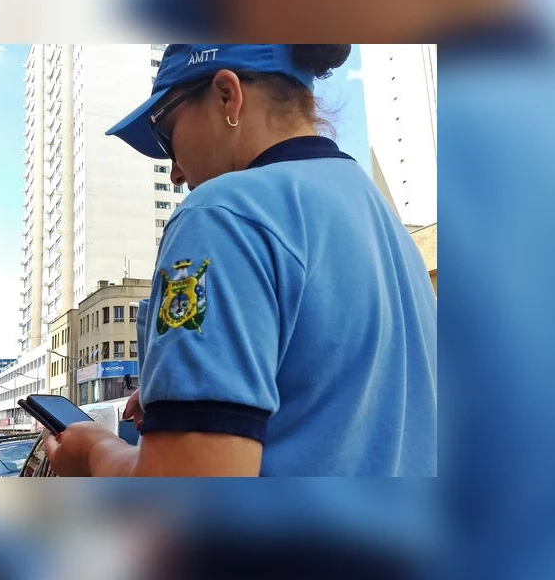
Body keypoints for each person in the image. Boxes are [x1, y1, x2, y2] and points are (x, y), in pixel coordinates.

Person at [44, 44, 437, 477]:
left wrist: (95, 450)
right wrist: (187, 399)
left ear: (227, 96)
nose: (174, 171)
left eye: (165, 135)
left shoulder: (221, 213)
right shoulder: (380, 216)